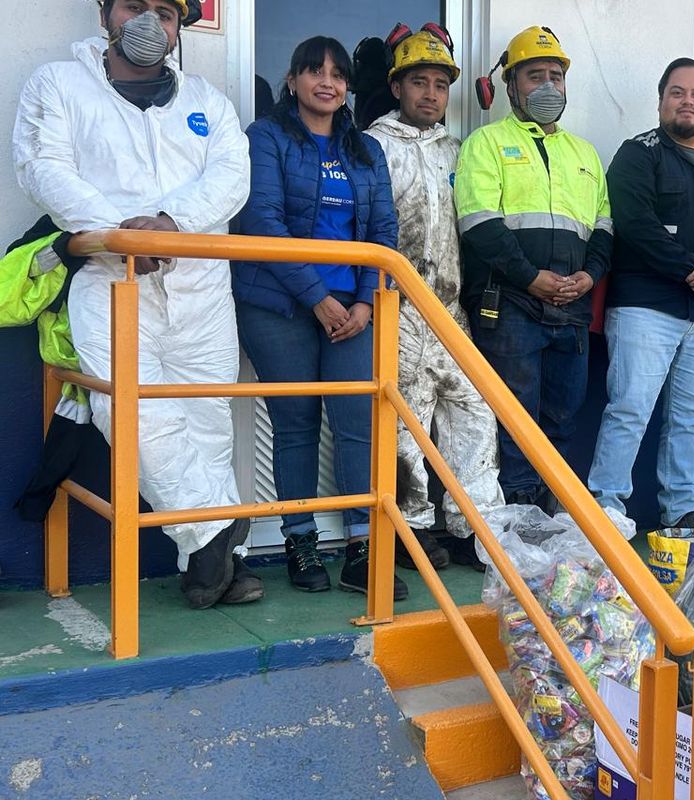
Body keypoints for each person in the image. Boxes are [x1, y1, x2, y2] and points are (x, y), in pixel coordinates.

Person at [13, 0, 260, 609]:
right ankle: (213, 532)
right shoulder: (58, 85)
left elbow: (231, 177)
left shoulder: (209, 101)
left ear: (181, 27)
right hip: (109, 279)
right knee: (125, 409)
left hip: (202, 284)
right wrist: (119, 234)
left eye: (164, 13)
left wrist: (172, 224)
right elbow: (43, 168)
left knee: (206, 419)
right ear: (105, 15)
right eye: (134, 6)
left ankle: (209, 566)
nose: (149, 23)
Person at [234, 37, 403, 596]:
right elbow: (263, 221)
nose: (326, 82)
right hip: (282, 304)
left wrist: (362, 301)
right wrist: (318, 297)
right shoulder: (267, 137)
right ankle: (300, 540)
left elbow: (383, 233)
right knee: (297, 422)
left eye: (337, 74)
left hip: (353, 308)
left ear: (349, 85)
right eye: (315, 72)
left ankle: (362, 548)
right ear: (292, 80)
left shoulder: (366, 150)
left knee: (358, 423)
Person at [588, 58, 694, 528]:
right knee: (629, 409)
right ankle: (605, 511)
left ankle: (681, 512)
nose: (688, 101)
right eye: (678, 92)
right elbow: (637, 226)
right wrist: (693, 269)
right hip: (646, 306)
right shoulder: (637, 154)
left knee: (691, 419)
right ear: (662, 100)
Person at [455, 26, 612, 510]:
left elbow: (604, 227)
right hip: (512, 305)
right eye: (534, 75)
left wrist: (590, 275)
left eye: (555, 76)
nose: (547, 86)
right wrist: (530, 277)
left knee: (564, 417)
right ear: (510, 84)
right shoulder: (486, 143)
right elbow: (478, 223)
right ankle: (520, 512)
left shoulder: (584, 153)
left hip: (571, 307)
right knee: (513, 415)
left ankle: (555, 507)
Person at [367, 24, 505, 572]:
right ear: (397, 86)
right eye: (418, 81)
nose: (430, 93)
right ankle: (412, 529)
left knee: (474, 414)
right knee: (407, 422)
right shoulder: (372, 145)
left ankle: (475, 527)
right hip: (396, 307)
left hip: (450, 309)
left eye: (441, 84)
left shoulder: (460, 150)